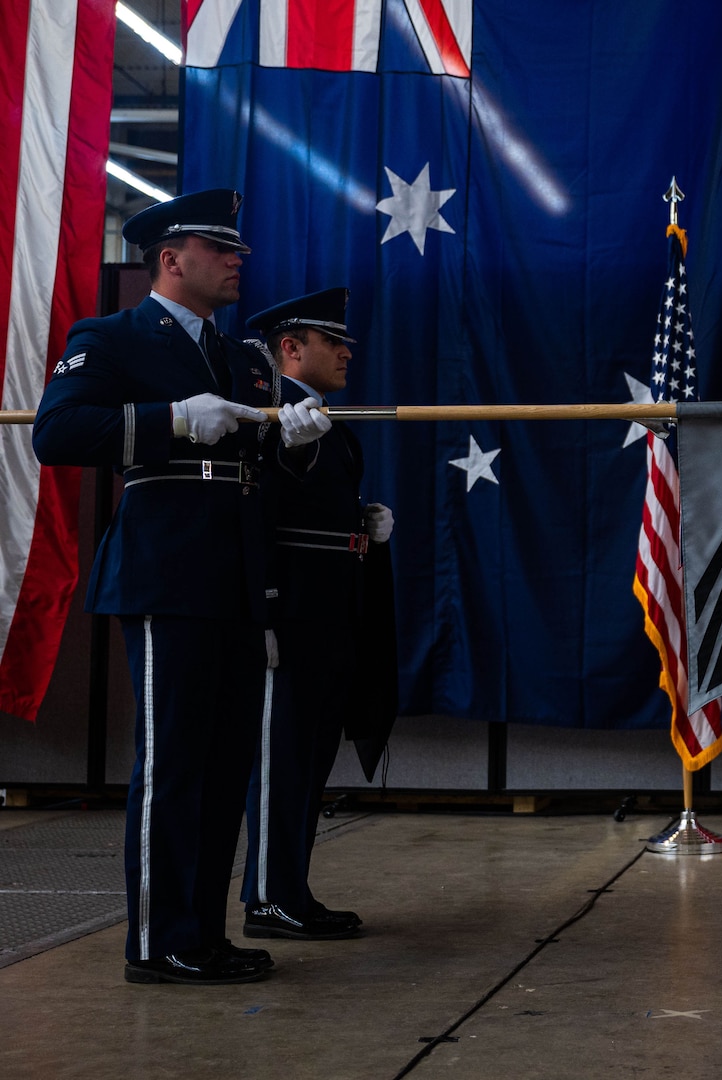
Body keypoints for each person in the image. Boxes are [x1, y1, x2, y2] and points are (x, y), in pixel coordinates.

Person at [31, 190, 332, 985]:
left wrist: (294, 447)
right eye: (221, 249)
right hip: (167, 567)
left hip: (235, 573)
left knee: (226, 762)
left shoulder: (242, 360)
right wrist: (168, 418)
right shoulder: (112, 337)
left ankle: (200, 930)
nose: (239, 261)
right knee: (173, 763)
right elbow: (55, 433)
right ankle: (157, 941)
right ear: (171, 258)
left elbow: (260, 471)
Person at [239, 288, 393, 941]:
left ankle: (290, 888)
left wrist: (362, 531)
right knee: (281, 760)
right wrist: (266, 612)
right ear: (291, 350)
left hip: (331, 611)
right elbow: (257, 521)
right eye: (333, 342)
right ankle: (268, 896)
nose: (347, 351)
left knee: (310, 759)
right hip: (294, 612)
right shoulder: (271, 421)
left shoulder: (327, 424)